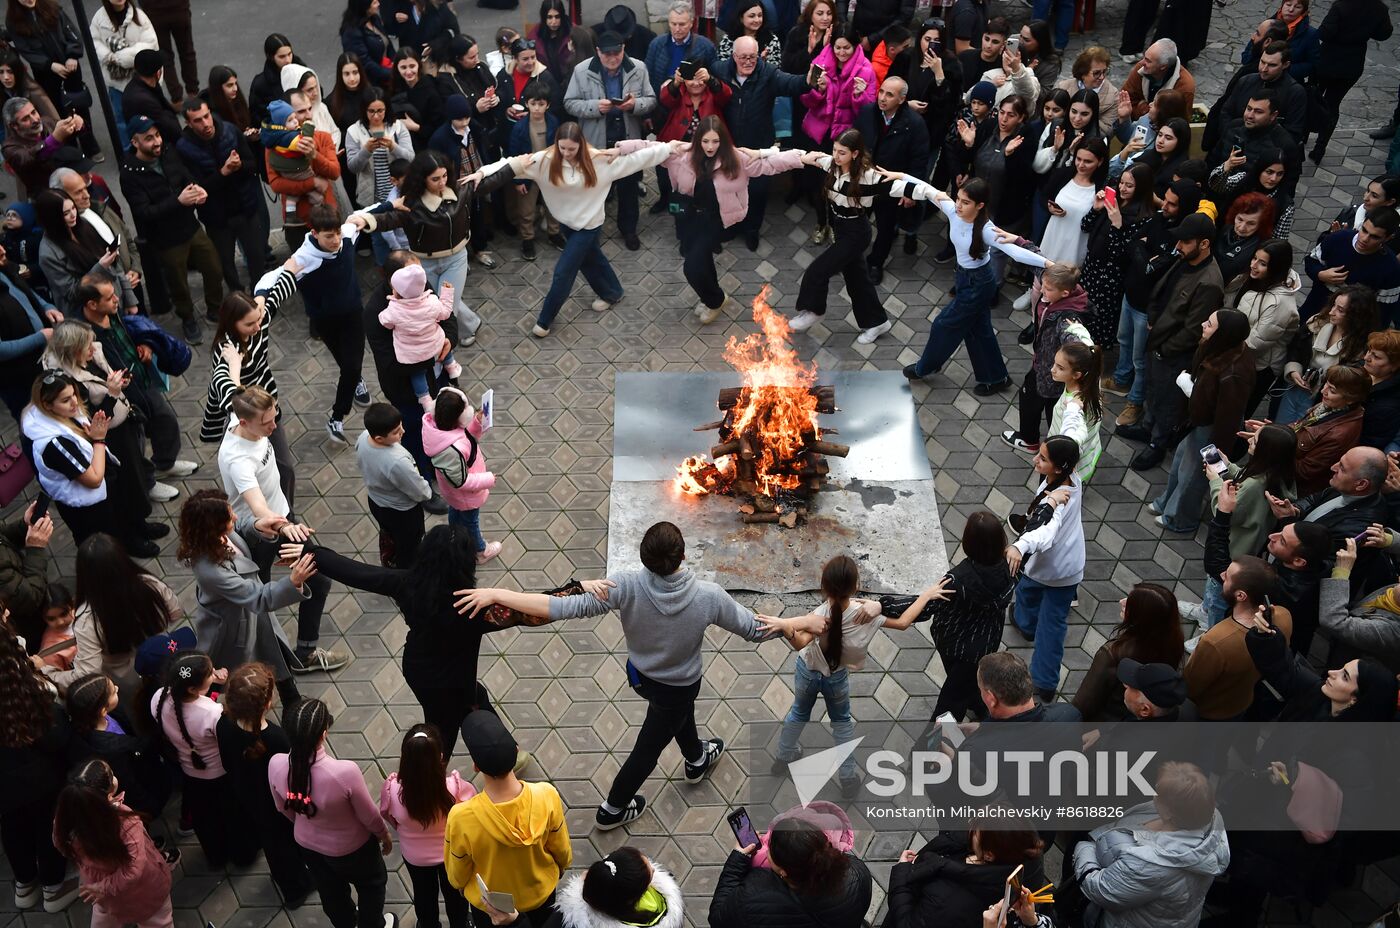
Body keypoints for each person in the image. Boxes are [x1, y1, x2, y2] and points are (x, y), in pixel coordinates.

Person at [456, 520, 817, 829]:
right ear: (683, 556)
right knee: (649, 747)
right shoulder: (710, 596)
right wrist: (794, 624)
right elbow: (755, 630)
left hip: (641, 678)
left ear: (644, 556)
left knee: (675, 716)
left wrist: (497, 592)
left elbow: (556, 607)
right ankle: (613, 808)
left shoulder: (623, 585)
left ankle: (696, 759)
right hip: (680, 685)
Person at [283, 525, 514, 760]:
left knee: (475, 698)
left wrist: (309, 553)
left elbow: (356, 572)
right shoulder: (476, 607)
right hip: (450, 680)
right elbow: (530, 613)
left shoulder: (407, 583)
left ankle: (508, 750)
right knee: (442, 733)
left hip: (418, 667)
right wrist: (552, 601)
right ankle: (431, 779)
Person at [473, 129, 677, 337]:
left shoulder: (600, 161)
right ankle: (613, 292)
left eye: (572, 149)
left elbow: (639, 159)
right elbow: (510, 163)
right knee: (590, 259)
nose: (567, 153)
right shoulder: (544, 160)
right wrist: (481, 172)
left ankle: (544, 321)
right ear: (556, 144)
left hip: (589, 227)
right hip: (566, 224)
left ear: (581, 144)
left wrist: (670, 148)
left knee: (564, 271)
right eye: (562, 148)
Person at [216, 385, 345, 674]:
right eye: (267, 423)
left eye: (275, 417)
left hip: (284, 519)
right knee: (262, 603)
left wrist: (234, 361)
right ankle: (295, 657)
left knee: (306, 583)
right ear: (245, 422)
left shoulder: (239, 414)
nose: (275, 426)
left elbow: (233, 390)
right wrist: (286, 526)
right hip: (262, 533)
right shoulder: (239, 460)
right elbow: (259, 508)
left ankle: (291, 653)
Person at [888, 176, 1050, 393]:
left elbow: (1015, 252)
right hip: (965, 279)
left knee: (943, 324)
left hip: (978, 285)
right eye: (958, 199)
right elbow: (927, 189)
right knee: (978, 330)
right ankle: (996, 378)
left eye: (965, 202)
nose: (958, 205)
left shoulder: (986, 229)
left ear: (980, 205)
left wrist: (1049, 264)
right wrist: (897, 175)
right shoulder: (953, 211)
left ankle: (926, 367)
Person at [769, 555, 914, 796]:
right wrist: (924, 595)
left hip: (808, 671)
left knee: (798, 713)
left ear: (823, 586)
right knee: (842, 724)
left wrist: (786, 628)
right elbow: (903, 622)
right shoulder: (866, 616)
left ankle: (783, 758)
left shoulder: (819, 613)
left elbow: (801, 641)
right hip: (836, 678)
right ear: (855, 586)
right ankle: (848, 777)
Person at [641, 117, 801, 322]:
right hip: (688, 218)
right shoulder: (682, 153)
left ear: (722, 141)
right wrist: (619, 149)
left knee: (691, 268)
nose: (710, 147)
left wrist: (802, 158)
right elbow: (648, 148)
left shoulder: (736, 158)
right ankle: (711, 296)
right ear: (698, 140)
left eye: (715, 141)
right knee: (702, 261)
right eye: (705, 141)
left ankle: (715, 301)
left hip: (715, 221)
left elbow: (770, 164)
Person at [359, 149, 519, 347]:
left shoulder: (461, 190)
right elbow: (389, 220)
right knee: (437, 302)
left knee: (445, 308)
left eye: (445, 176)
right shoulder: (411, 204)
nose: (442, 182)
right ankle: (470, 325)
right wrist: (364, 221)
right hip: (423, 262)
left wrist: (519, 164)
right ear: (422, 179)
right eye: (435, 179)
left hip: (455, 260)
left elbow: (491, 181)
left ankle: (444, 349)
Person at [178, 489, 317, 704]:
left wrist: (256, 526)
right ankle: (218, 710)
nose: (234, 516)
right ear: (213, 526)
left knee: (276, 652)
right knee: (235, 675)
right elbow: (259, 597)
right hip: (233, 626)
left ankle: (292, 700)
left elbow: (240, 525)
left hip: (249, 611)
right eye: (228, 516)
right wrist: (293, 582)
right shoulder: (211, 570)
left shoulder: (215, 534)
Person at [268, 698, 397, 928]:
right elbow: (368, 815)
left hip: (307, 845)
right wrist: (383, 834)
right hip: (353, 849)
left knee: (331, 892)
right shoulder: (343, 772)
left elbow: (282, 808)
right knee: (371, 885)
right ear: (323, 734)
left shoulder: (275, 764)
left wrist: (304, 825)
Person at [40, 323, 164, 553]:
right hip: (105, 439)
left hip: (121, 429)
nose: (92, 349)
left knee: (134, 481)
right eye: (86, 346)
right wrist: (113, 394)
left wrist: (118, 385)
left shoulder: (88, 358)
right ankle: (130, 539)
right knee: (122, 490)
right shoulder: (65, 382)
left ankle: (140, 525)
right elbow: (90, 423)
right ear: (72, 350)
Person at [442, 710, 570, 928]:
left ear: (476, 766)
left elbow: (457, 873)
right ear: (516, 752)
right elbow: (562, 851)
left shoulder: (461, 817)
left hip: (493, 908)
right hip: (542, 894)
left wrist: (463, 887)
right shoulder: (547, 795)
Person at [1117, 213, 1224, 471]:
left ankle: (1157, 444)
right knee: (1153, 389)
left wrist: (1164, 350)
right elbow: (1162, 290)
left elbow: (1192, 330)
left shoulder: (1209, 282)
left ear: (1204, 244)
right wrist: (1153, 315)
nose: (1178, 246)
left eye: (1186, 242)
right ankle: (1146, 426)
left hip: (1174, 353)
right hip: (1158, 341)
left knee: (1169, 400)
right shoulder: (1184, 259)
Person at [1071, 762, 1229, 928]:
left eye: (1158, 793)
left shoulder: (1150, 865)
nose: (1153, 795)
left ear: (1170, 813)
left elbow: (1100, 889)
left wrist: (1084, 848)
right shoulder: (1203, 820)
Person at [888, 512, 1013, 721]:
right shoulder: (1012, 565)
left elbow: (923, 608)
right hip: (987, 642)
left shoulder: (957, 580)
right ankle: (979, 705)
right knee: (972, 682)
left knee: (948, 710)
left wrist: (880, 605)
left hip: (956, 645)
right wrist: (1051, 502)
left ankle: (931, 751)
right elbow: (1034, 536)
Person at [39, 531, 182, 708]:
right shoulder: (148, 583)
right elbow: (175, 612)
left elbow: (87, 673)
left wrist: (47, 672)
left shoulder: (87, 619)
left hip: (127, 679)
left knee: (144, 713)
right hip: (162, 656)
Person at [214, 662, 314, 907]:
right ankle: (295, 890)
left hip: (246, 794)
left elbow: (227, 761)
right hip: (277, 802)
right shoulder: (277, 738)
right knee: (284, 843)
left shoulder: (223, 725)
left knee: (272, 842)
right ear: (267, 703)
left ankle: (287, 876)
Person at [119, 115, 223, 344]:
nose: (156, 142)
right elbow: (144, 212)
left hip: (191, 227)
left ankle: (215, 308)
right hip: (167, 240)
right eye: (149, 139)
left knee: (214, 267)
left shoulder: (168, 151)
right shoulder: (129, 174)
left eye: (157, 135)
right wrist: (179, 201)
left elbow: (185, 176)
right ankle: (187, 318)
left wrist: (197, 190)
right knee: (179, 284)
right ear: (135, 143)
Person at [199, 269, 298, 505]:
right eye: (249, 323)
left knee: (285, 468)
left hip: (267, 405)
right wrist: (234, 365)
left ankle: (286, 509)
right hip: (245, 417)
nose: (257, 326)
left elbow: (282, 285)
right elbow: (233, 398)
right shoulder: (225, 350)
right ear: (231, 323)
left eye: (258, 320)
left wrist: (296, 265)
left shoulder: (259, 322)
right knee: (252, 473)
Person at [151, 650, 258, 868]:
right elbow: (230, 739)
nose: (214, 674)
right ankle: (243, 856)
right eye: (210, 673)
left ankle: (216, 857)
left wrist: (211, 684)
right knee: (233, 819)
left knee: (207, 821)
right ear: (192, 688)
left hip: (190, 773)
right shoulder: (212, 712)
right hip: (220, 774)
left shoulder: (158, 698)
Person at [1152, 309, 1255, 534]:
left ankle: (1180, 519)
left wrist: (1217, 455)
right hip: (1197, 423)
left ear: (1223, 333)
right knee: (1181, 463)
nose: (1202, 325)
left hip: (1212, 431)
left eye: (1209, 323)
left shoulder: (1234, 373)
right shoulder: (1218, 347)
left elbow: (1228, 418)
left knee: (1194, 476)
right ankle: (1166, 503)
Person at [783, 132, 893, 342]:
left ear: (855, 154)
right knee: (857, 279)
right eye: (834, 150)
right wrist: (761, 154)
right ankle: (877, 323)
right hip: (840, 227)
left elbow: (907, 186)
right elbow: (808, 157)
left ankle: (814, 310)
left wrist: (938, 196)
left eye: (842, 153)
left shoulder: (868, 175)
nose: (836, 156)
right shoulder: (831, 164)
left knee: (817, 271)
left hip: (856, 232)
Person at [0, 620, 76, 914]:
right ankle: (53, 889)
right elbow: (55, 738)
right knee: (48, 829)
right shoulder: (22, 688)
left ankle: (24, 884)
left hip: (5, 790)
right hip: (39, 780)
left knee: (13, 826)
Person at [281, 203, 374, 443]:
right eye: (329, 236)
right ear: (315, 234)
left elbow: (368, 213)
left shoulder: (346, 234)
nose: (336, 240)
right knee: (347, 364)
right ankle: (356, 381)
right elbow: (274, 280)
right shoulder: (303, 258)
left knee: (351, 366)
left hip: (353, 313)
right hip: (324, 320)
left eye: (337, 234)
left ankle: (336, 417)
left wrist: (390, 205)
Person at [562, 32, 659, 253]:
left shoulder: (638, 68)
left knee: (628, 188)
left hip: (627, 140)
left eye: (617, 52)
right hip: (596, 142)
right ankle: (590, 232)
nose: (613, 58)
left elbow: (651, 100)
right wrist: (595, 107)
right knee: (594, 190)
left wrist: (634, 105)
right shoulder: (582, 70)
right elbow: (569, 103)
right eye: (607, 54)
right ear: (598, 52)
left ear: (624, 48)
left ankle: (629, 229)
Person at [1192, 423, 1297, 624]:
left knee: (1219, 596)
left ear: (1266, 452)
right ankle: (1204, 611)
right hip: (1249, 548)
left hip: (1232, 552)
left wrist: (1215, 480)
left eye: (1255, 440)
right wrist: (1229, 467)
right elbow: (1246, 477)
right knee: (1213, 591)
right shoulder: (1279, 474)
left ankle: (1209, 627)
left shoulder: (1254, 485)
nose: (1249, 440)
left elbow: (1223, 511)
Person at [1007, 435, 1085, 701]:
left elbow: (1046, 532)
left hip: (1046, 567)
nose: (1035, 460)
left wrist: (1021, 545)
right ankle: (1045, 683)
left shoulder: (1058, 500)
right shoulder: (1074, 476)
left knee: (1042, 615)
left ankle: (1027, 627)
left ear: (1060, 467)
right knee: (1050, 619)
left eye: (1042, 458)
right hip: (1070, 568)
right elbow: (1074, 434)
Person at [51, 758, 174, 928]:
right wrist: (105, 887)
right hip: (143, 891)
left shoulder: (64, 820)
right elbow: (134, 869)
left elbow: (60, 844)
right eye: (111, 775)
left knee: (105, 918)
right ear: (108, 795)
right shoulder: (125, 821)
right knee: (159, 922)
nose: (115, 776)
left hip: (98, 888)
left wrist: (98, 884)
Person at [379, 725, 474, 928]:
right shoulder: (455, 788)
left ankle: (427, 924)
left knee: (423, 894)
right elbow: (470, 815)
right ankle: (460, 923)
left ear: (405, 758)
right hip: (452, 856)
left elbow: (388, 815)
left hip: (415, 858)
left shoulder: (392, 789)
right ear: (440, 756)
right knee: (456, 894)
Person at [175, 96, 269, 294]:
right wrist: (224, 172)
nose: (206, 123)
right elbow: (196, 188)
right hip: (217, 217)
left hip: (245, 208)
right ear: (189, 124)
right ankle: (238, 296)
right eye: (198, 120)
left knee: (256, 256)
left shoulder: (230, 131)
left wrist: (240, 165)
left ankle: (260, 294)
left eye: (206, 116)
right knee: (225, 262)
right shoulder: (184, 149)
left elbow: (253, 165)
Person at [710, 816, 872, 927]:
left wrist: (737, 859)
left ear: (783, 871)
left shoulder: (752, 894)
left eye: (769, 848)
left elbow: (718, 919)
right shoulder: (857, 872)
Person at [1182, 555, 1292, 719]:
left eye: (1227, 576)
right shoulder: (1283, 615)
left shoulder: (1217, 641)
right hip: (1241, 702)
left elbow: (1191, 686)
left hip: (1211, 711)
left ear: (1241, 596)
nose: (1221, 575)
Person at [887, 819, 1046, 928]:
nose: (970, 822)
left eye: (977, 831)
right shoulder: (1024, 849)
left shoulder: (947, 905)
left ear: (989, 855)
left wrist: (902, 872)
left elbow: (905, 923)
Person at [1002, 265, 1092, 454]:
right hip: (1047, 367)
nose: (1042, 290)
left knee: (1043, 406)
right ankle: (1049, 446)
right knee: (1045, 405)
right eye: (1043, 285)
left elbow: (1076, 342)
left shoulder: (1067, 319)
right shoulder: (1060, 283)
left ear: (1065, 292)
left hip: (1048, 373)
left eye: (1048, 289)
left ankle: (1037, 444)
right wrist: (1017, 241)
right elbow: (1037, 262)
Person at [63, 670, 172, 821]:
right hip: (139, 789)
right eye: (113, 691)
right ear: (102, 710)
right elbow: (130, 784)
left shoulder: (101, 716)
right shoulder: (109, 750)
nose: (117, 688)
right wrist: (149, 807)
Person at [1073, 583, 1186, 722]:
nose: (1122, 601)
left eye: (1130, 603)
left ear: (1141, 617)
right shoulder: (1175, 642)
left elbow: (1084, 704)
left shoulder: (1112, 653)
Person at [854, 77, 929, 285]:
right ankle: (851, 256)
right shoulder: (867, 112)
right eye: (881, 92)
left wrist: (910, 191)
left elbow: (919, 162)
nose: (883, 98)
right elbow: (855, 142)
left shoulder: (914, 124)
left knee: (886, 228)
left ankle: (876, 262)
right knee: (856, 221)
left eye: (889, 95)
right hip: (864, 181)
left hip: (891, 186)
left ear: (902, 99)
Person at [645, 2, 718, 213]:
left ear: (692, 23)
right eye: (673, 24)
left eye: (682, 24)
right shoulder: (657, 44)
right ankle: (665, 197)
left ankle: (692, 197)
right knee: (662, 157)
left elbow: (714, 79)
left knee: (694, 157)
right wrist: (649, 113)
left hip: (693, 110)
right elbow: (648, 80)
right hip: (663, 109)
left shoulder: (704, 45)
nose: (677, 29)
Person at [5, 0, 98, 157]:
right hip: (46, 73)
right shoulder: (13, 21)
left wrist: (73, 55)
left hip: (70, 67)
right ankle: (71, 148)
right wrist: (50, 65)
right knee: (58, 110)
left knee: (80, 106)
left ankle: (90, 145)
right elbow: (26, 50)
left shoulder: (53, 7)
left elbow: (71, 32)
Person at [1276, 285, 1378, 425]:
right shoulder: (1316, 323)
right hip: (1295, 387)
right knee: (1280, 427)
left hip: (1323, 399)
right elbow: (1296, 348)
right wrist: (1294, 370)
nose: (1331, 312)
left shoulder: (1361, 348)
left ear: (1356, 316)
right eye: (1333, 305)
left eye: (1340, 310)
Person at [33, 189, 138, 318]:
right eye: (66, 213)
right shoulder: (48, 254)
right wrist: (100, 267)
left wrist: (130, 299)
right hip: (91, 317)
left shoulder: (83, 225)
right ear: (52, 218)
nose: (73, 215)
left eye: (73, 208)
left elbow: (115, 264)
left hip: (115, 301)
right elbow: (71, 293)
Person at [1309, 0, 1393, 160]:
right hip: (1352, 64)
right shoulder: (1379, 8)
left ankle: (1304, 135)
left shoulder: (1341, 5)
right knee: (1333, 104)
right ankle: (1320, 148)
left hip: (1327, 60)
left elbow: (1325, 32)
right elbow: (1384, 34)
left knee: (1313, 97)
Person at [265, 90, 341, 252]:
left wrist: (314, 155)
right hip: (297, 221)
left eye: (309, 108)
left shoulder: (323, 137)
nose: (308, 115)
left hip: (326, 217)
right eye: (300, 112)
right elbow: (276, 184)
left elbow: (334, 172)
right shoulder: (275, 146)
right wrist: (312, 182)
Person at [358, 404, 433, 568]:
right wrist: (428, 491)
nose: (403, 432)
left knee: (390, 536)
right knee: (409, 548)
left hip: (376, 501)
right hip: (403, 513)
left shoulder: (364, 437)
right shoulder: (396, 461)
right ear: (379, 438)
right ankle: (405, 579)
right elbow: (421, 491)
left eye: (401, 426)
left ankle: (390, 562)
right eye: (395, 432)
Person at [1301, 207, 1400, 328]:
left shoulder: (1390, 268)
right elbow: (1311, 261)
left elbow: (1383, 313)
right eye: (1364, 230)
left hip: (1348, 329)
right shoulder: (1338, 239)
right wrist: (1320, 274)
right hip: (1312, 311)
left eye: (1374, 237)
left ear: (1388, 238)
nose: (1364, 239)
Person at [554, 846, 686, 928]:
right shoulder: (663, 905)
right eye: (650, 874)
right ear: (636, 896)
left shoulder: (564, 919)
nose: (654, 869)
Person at [1322, 533, 1400, 671]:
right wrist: (1388, 540)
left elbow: (1335, 621)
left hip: (1345, 671)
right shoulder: (1395, 594)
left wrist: (1341, 571)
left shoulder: (1392, 632)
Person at [89, 0, 156, 153]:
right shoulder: (99, 18)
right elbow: (95, 42)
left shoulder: (139, 16)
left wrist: (121, 57)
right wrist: (109, 57)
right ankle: (129, 152)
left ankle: (151, 149)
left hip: (140, 79)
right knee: (121, 119)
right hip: (116, 82)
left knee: (147, 116)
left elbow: (149, 44)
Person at [346, 89, 415, 234]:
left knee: (402, 231)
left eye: (380, 111)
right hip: (371, 194)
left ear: (387, 109)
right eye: (371, 111)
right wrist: (366, 150)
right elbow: (352, 167)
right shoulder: (354, 131)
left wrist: (393, 147)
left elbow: (411, 159)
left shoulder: (397, 127)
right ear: (364, 110)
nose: (376, 116)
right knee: (378, 235)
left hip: (397, 190)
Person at [506, 83, 562, 260]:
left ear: (548, 105)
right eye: (533, 104)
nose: (537, 108)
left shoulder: (553, 122)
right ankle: (527, 239)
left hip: (549, 171)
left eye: (541, 104)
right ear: (527, 104)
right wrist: (518, 180)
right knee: (526, 210)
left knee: (553, 205)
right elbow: (513, 155)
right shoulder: (520, 127)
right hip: (528, 173)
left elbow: (559, 148)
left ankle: (554, 234)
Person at [1217, 42, 1308, 144]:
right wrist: (1231, 137)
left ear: (1285, 65)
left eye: (1272, 65)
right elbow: (1226, 113)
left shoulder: (1295, 93)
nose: (1264, 69)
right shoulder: (1246, 81)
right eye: (1262, 62)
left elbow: (1292, 133)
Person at [1, 96, 86, 197]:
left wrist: (78, 124)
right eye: (25, 119)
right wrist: (54, 139)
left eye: (33, 112)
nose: (35, 120)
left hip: (71, 181)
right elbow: (29, 158)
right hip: (48, 195)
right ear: (14, 126)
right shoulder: (10, 148)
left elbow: (72, 133)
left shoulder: (47, 122)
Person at [0, 501, 54, 646]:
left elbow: (3, 537)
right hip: (28, 629)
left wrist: (25, 525)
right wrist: (35, 548)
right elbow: (30, 598)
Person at [1120, 39, 1195, 118]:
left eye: (1148, 61)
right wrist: (1148, 111)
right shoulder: (1141, 68)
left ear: (1163, 66)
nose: (1142, 62)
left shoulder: (1185, 86)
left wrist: (1142, 108)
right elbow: (1125, 102)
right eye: (1145, 57)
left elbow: (1177, 121)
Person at [122, 48, 180, 145]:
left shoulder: (143, 85)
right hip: (156, 146)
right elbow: (168, 127)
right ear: (158, 73)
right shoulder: (144, 100)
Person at [1055, 46, 1118, 136]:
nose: (1102, 77)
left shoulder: (1113, 95)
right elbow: (1054, 119)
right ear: (1083, 72)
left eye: (1104, 72)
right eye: (1096, 73)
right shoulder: (1063, 87)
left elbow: (1107, 131)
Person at [1359, 330, 1400, 452]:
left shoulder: (1389, 406)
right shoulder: (1361, 372)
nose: (1366, 358)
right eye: (1368, 352)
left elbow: (1368, 446)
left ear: (1395, 365)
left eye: (1376, 357)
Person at [341, 0, 396, 88]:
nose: (378, 4)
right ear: (364, 6)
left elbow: (387, 44)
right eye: (374, 2)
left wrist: (396, 63)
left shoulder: (374, 19)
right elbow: (364, 63)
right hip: (371, 84)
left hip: (385, 74)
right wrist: (390, 73)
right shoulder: (352, 32)